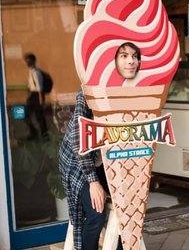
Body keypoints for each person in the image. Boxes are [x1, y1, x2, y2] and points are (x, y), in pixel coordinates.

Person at [59, 42, 141, 250]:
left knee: (130, 202)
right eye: (124, 55)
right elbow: (80, 139)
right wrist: (93, 181)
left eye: (134, 55)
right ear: (112, 61)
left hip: (106, 160)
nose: (131, 60)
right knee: (96, 213)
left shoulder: (134, 90)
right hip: (80, 162)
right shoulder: (89, 92)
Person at [24, 52, 48, 139]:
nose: (27, 63)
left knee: (39, 116)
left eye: (29, 61)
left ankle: (44, 135)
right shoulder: (31, 72)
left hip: (37, 96)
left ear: (33, 61)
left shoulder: (36, 73)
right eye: (26, 61)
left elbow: (40, 89)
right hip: (32, 96)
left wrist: (41, 102)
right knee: (25, 114)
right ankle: (34, 133)